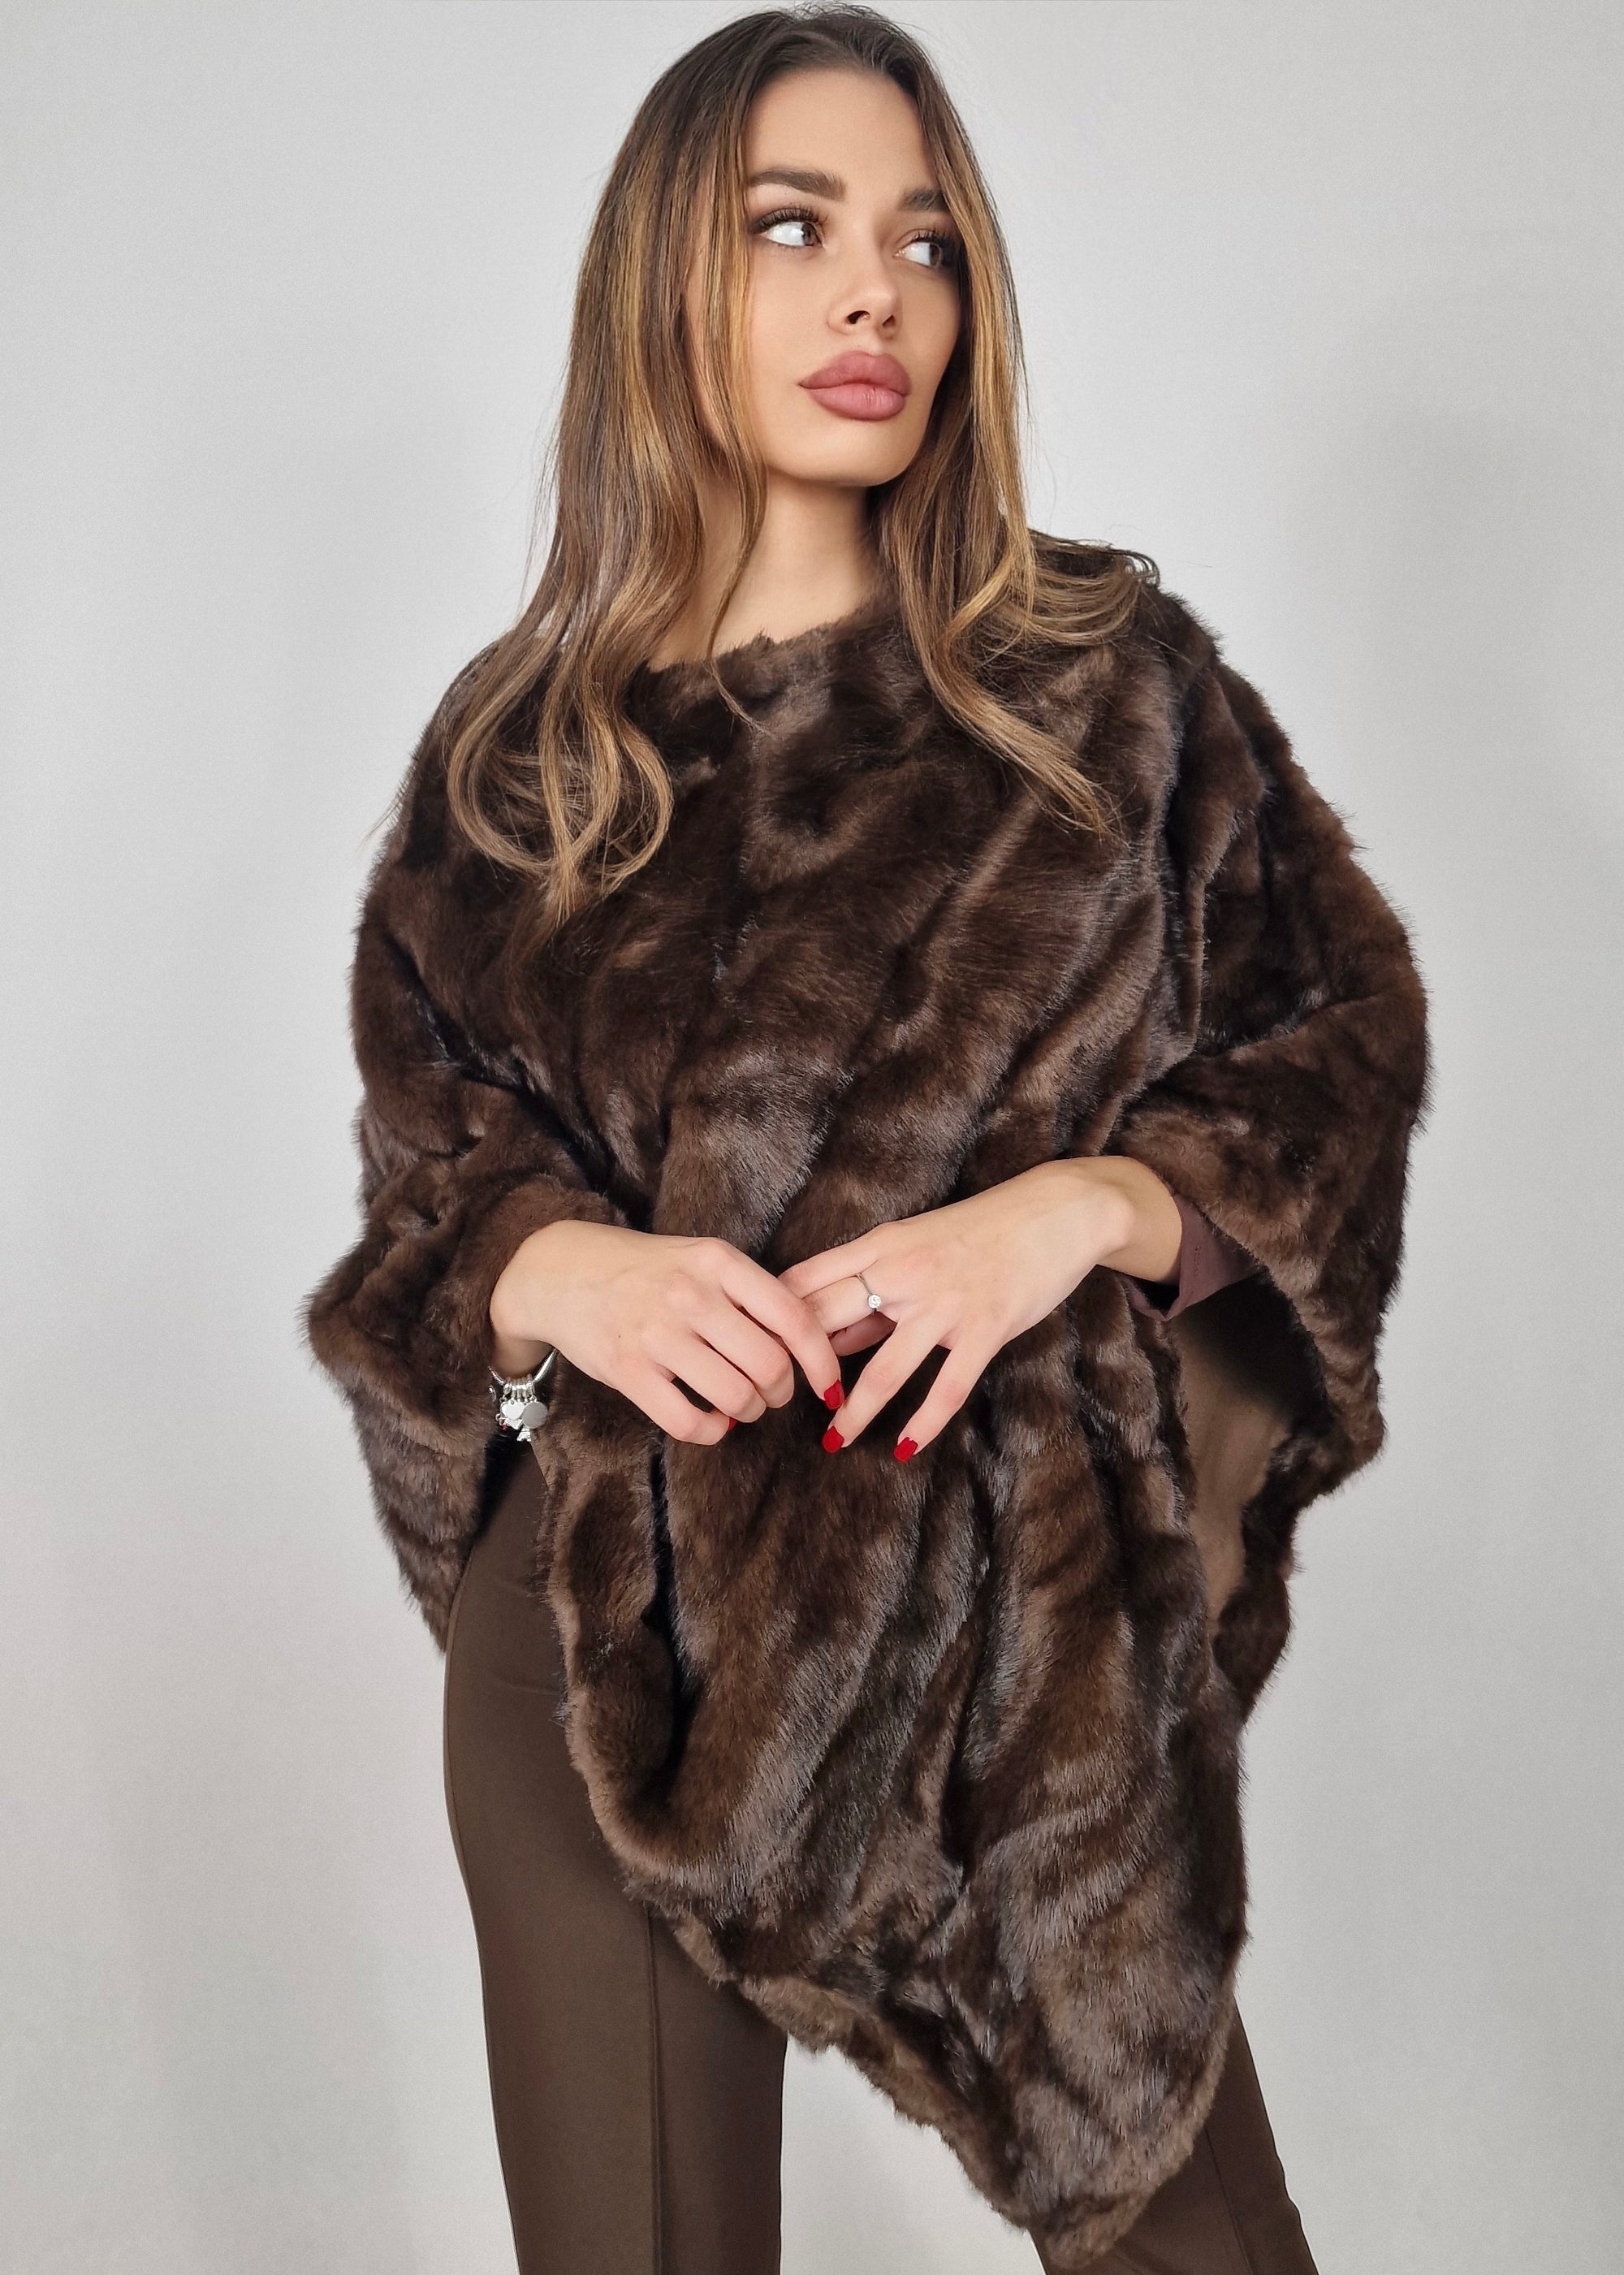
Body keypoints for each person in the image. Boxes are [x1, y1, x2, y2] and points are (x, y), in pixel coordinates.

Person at [304, 8, 1429, 2271]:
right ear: (663, 277)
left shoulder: (1109, 682)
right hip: (609, 1636)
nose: (874, 298)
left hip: (1021, 1636)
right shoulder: (518, 766)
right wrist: (552, 1265)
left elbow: (1341, 1050)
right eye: (791, 227)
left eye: (924, 242)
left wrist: (1087, 1213)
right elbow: (427, 1191)